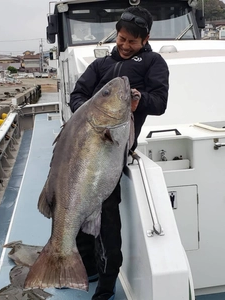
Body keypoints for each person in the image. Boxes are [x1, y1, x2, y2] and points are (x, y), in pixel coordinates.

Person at [70, 5, 169, 300]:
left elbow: (160, 102)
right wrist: (90, 114)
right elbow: (77, 95)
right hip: (83, 151)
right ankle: (84, 267)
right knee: (75, 210)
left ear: (145, 38)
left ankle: (105, 286)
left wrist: (140, 100)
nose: (124, 46)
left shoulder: (154, 62)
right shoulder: (100, 65)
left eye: (132, 42)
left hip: (112, 155)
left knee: (108, 221)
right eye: (121, 39)